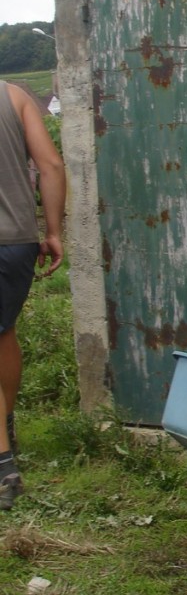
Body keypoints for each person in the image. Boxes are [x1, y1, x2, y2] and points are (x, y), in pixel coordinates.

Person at [0, 81, 66, 511]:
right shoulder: (14, 96)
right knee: (4, 334)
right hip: (16, 242)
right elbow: (51, 165)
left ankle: (3, 465)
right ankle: (5, 424)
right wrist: (54, 231)